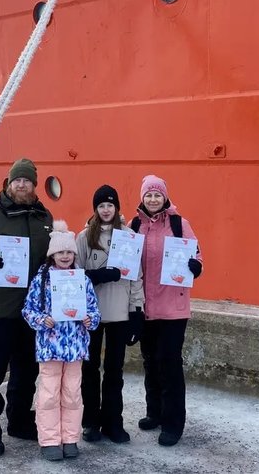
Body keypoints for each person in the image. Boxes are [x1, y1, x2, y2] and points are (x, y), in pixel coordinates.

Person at [0, 158, 54, 457]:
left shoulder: (44, 217)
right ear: (9, 183)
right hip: (1, 310)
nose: (21, 184)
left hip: (32, 312)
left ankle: (18, 421)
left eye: (26, 180)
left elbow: (51, 258)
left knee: (26, 372)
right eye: (16, 180)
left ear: (33, 185)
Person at [131, 174, 203, 447]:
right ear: (142, 197)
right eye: (148, 194)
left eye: (157, 194)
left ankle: (173, 424)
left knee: (169, 364)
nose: (152, 199)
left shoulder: (179, 224)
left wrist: (196, 266)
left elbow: (196, 255)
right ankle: (155, 413)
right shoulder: (134, 224)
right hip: (146, 307)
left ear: (165, 197)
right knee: (150, 361)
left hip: (173, 308)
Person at [22, 221, 101, 461]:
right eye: (60, 252)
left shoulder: (82, 280)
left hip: (76, 348)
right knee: (48, 394)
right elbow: (28, 310)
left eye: (69, 252)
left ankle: (70, 438)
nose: (65, 256)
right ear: (52, 255)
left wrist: (90, 320)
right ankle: (49, 440)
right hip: (50, 348)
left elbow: (94, 310)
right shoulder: (41, 281)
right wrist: (41, 320)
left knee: (72, 395)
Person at [75, 184, 144, 444]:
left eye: (110, 205)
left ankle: (113, 422)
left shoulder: (128, 236)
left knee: (115, 371)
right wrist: (98, 276)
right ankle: (91, 422)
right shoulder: (83, 238)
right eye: (101, 205)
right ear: (95, 209)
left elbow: (136, 277)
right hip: (90, 315)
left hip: (119, 313)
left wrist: (137, 312)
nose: (106, 209)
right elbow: (75, 273)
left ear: (117, 208)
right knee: (89, 369)